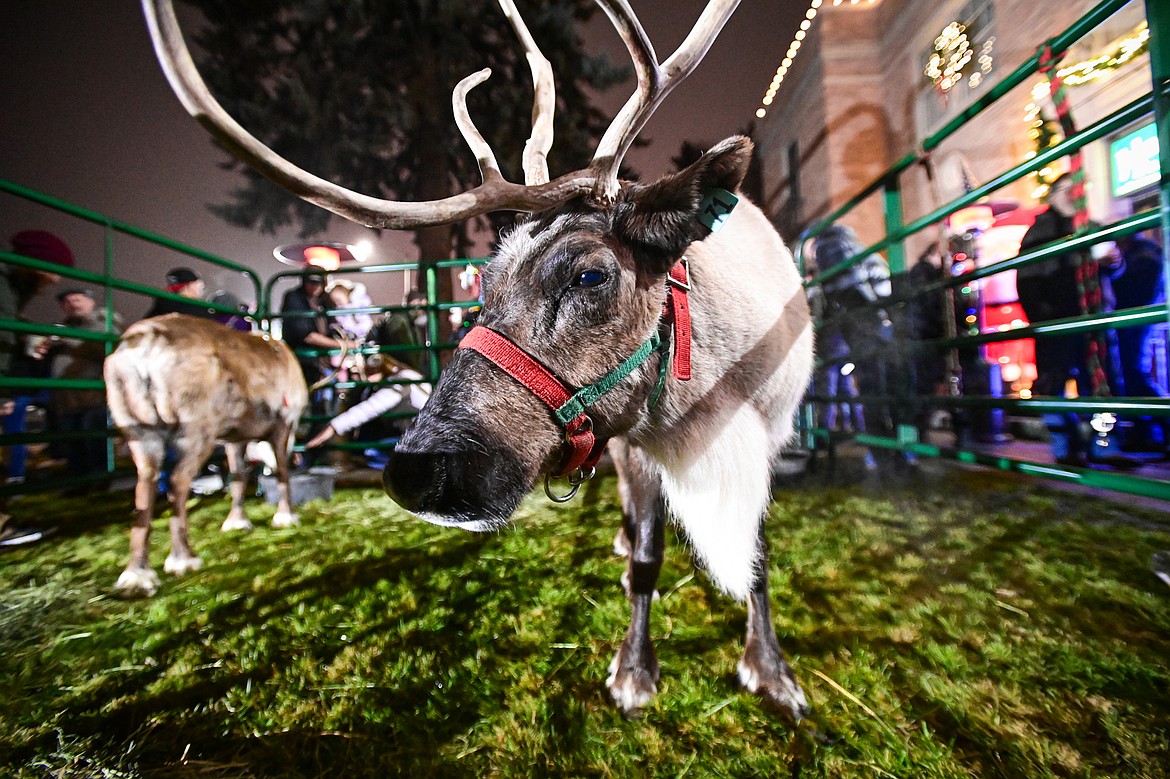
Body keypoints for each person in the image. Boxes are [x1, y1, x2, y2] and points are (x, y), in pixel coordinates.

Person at [1016, 173, 1132, 467]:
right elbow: (1027, 280)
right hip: (1057, 320)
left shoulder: (1090, 227)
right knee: (1052, 385)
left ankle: (1103, 446)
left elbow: (1114, 271)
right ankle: (1065, 446)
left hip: (1095, 319)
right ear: (1052, 195)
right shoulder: (1039, 233)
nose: (1071, 194)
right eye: (1065, 189)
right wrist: (1041, 319)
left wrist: (1115, 263)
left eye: (1075, 189)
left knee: (1101, 385)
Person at [1, 230, 72, 484]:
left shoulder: (11, 288)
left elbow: (9, 326)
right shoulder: (4, 288)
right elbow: (3, 335)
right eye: (53, 270)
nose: (56, 279)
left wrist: (26, 335)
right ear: (34, 262)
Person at [39, 288, 124, 483]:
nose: (73, 303)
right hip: (66, 398)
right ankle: (81, 483)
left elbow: (108, 349)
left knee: (94, 438)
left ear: (91, 302)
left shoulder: (105, 322)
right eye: (67, 301)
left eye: (78, 299)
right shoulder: (60, 328)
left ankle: (100, 481)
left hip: (93, 395)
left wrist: (65, 337)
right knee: (73, 442)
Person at [304, 355, 432, 464]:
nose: (367, 378)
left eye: (371, 372)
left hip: (422, 439)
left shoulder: (399, 383)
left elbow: (370, 408)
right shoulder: (409, 376)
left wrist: (333, 427)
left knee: (372, 452)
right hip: (421, 435)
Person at [1109, 232, 1168, 452]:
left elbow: (1137, 293)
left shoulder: (1142, 254)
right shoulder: (1143, 252)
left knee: (1133, 374)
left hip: (1134, 324)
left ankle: (1157, 428)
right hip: (1133, 323)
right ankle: (1147, 433)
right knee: (1131, 375)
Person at [372, 288, 428, 373]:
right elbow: (404, 353)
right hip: (400, 370)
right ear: (415, 302)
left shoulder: (407, 321)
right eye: (423, 307)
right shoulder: (400, 321)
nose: (424, 312)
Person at [144, 267, 216, 320]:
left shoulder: (164, 301)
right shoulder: (187, 306)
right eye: (198, 285)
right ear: (189, 286)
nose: (201, 288)